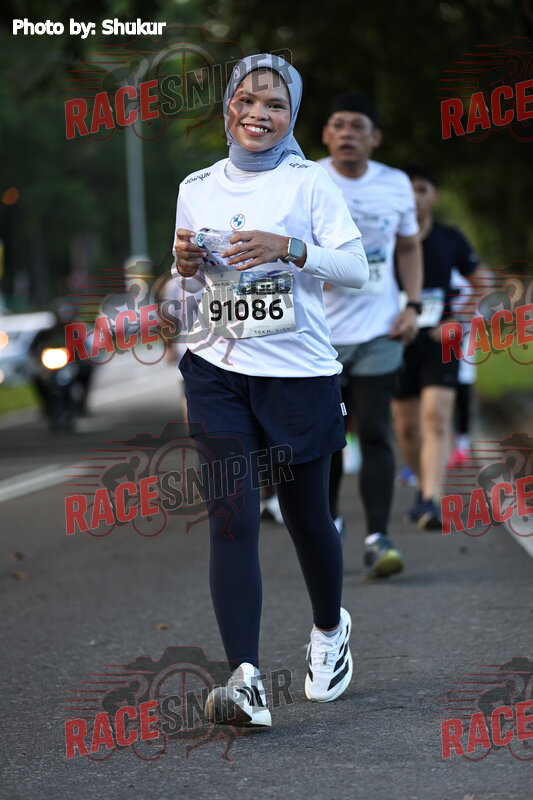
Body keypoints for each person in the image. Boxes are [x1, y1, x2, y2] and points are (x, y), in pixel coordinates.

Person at [172, 55, 369, 729]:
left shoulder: (309, 181)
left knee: (306, 516)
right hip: (216, 369)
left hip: (299, 375)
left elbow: (356, 269)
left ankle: (329, 629)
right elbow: (191, 280)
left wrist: (288, 247)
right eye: (247, 99)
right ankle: (245, 680)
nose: (258, 113)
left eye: (275, 104)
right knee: (230, 516)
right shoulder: (195, 186)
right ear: (227, 105)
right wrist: (185, 263)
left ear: (292, 115)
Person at [319, 93, 422, 577]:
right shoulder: (307, 179)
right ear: (326, 135)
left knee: (376, 430)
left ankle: (378, 538)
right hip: (319, 335)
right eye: (338, 124)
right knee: (329, 439)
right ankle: (330, 527)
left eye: (357, 126)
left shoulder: (395, 183)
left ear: (374, 137)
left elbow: (408, 248)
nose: (347, 133)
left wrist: (413, 306)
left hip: (379, 330)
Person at [392, 166, 481, 529]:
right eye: (407, 190)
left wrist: (456, 321)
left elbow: (481, 284)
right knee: (407, 428)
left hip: (441, 341)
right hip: (398, 340)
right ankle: (421, 484)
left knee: (436, 417)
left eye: (422, 190)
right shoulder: (386, 238)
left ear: (434, 196)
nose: (414, 198)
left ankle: (432, 499)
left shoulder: (450, 238)